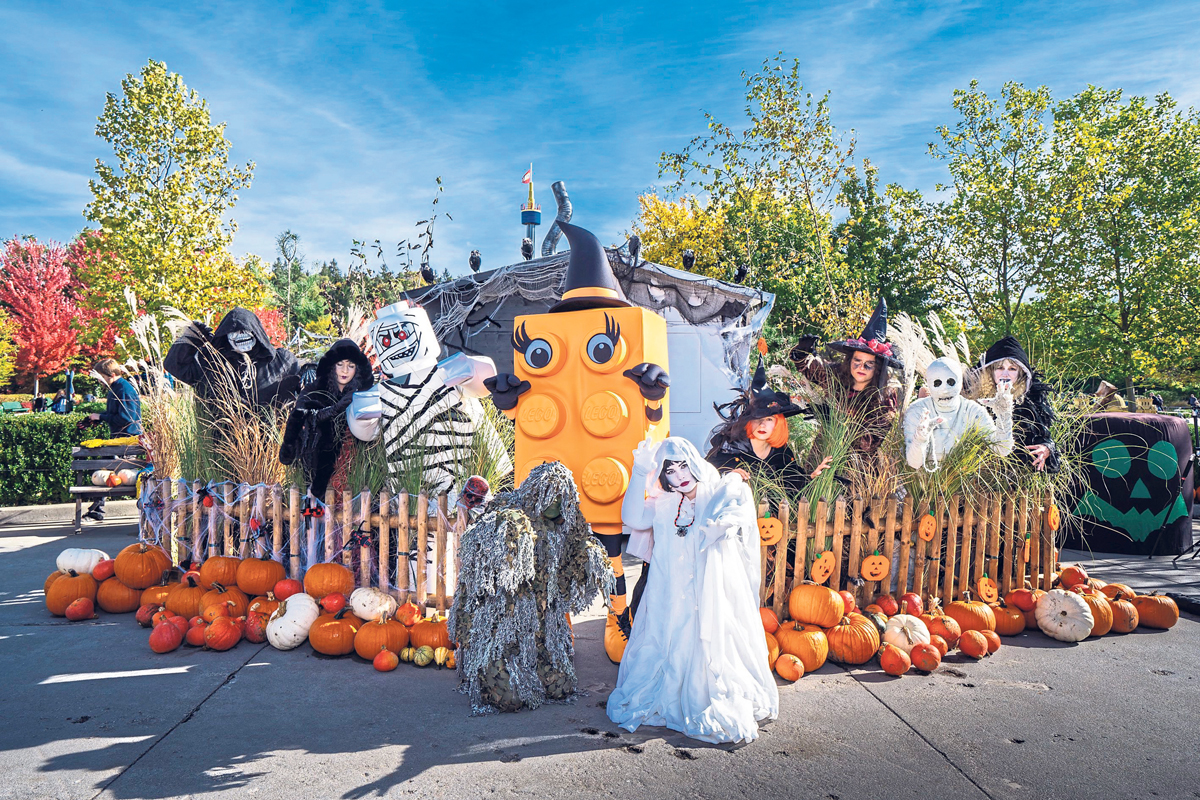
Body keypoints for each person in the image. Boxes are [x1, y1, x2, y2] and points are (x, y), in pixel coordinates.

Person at [607, 437, 778, 744]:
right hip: (668, 592)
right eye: (670, 470)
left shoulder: (716, 491)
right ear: (663, 476)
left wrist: (723, 524)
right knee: (664, 645)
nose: (680, 475)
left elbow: (737, 503)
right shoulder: (663, 504)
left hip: (706, 594)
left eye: (684, 465)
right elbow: (631, 518)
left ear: (695, 463)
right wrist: (639, 469)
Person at [788, 298, 902, 455]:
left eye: (869, 364)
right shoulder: (838, 376)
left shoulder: (885, 397)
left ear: (878, 368)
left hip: (855, 466)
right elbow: (812, 370)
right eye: (857, 361)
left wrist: (835, 418)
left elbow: (871, 442)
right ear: (850, 360)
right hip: (823, 454)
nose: (861, 367)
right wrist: (802, 353)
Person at [707, 356, 830, 496]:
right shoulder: (729, 448)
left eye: (769, 419)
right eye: (757, 418)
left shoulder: (781, 453)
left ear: (778, 424)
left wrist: (812, 476)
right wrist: (728, 476)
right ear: (748, 421)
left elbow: (794, 484)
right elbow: (706, 476)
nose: (762, 424)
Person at [279, 339, 373, 500]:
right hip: (314, 463)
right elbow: (302, 415)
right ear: (331, 365)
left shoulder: (363, 393)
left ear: (357, 369)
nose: (344, 371)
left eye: (350, 366)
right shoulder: (313, 389)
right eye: (340, 364)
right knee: (314, 515)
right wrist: (335, 410)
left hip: (353, 464)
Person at [971, 336, 1058, 473]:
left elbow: (1045, 437)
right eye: (1000, 368)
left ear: (1020, 372)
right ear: (991, 371)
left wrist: (1047, 448)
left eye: (1012, 369)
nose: (1005, 374)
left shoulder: (1031, 402)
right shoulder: (973, 402)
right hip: (979, 478)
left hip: (1020, 479)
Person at [83, 359, 143, 522]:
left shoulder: (122, 389)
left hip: (126, 441)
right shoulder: (115, 388)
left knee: (108, 472)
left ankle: (97, 509)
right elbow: (119, 415)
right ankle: (97, 509)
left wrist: (101, 416)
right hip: (120, 440)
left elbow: (127, 418)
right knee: (105, 471)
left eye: (100, 377)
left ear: (111, 375)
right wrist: (100, 419)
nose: (98, 380)